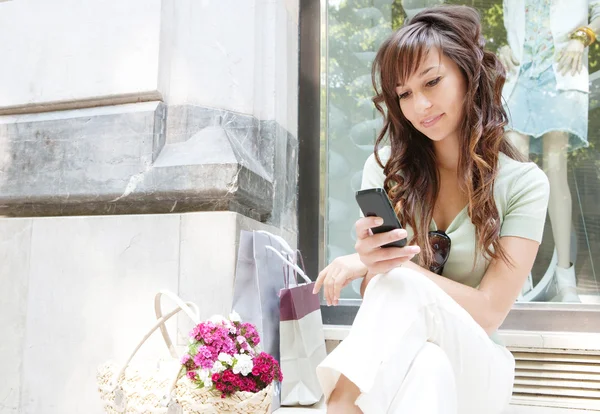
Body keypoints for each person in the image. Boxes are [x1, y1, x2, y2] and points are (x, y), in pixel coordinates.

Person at [312, 5, 550, 414]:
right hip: (413, 364)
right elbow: (380, 300)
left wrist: (393, 265)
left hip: (480, 369)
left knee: (402, 287)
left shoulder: (525, 184)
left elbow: (491, 312)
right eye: (404, 94)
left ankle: (339, 405)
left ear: (467, 74)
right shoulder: (386, 170)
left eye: (432, 82)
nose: (420, 105)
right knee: (427, 367)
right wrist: (375, 267)